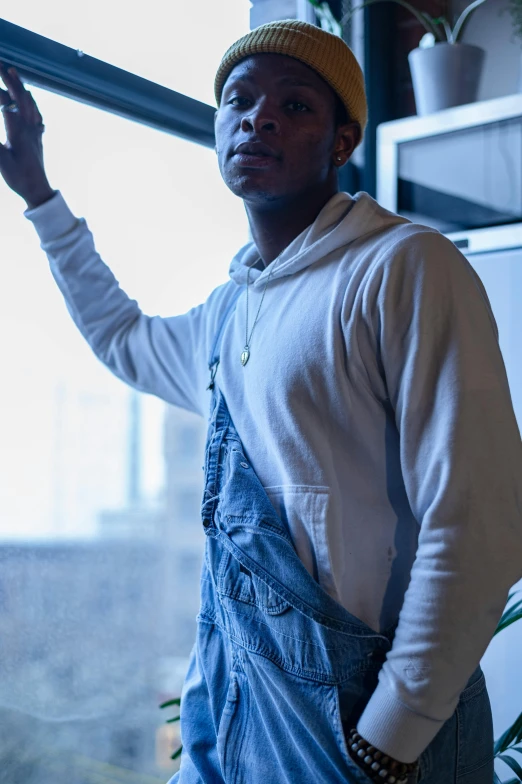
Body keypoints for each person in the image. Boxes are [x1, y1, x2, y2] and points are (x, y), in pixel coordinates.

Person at [1, 19, 522, 784]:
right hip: (236, 701)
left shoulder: (404, 265)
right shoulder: (232, 310)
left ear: (343, 142)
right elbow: (124, 338)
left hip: (364, 723)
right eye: (238, 101)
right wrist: (40, 194)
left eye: (296, 105)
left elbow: (479, 518)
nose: (259, 117)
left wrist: (392, 733)